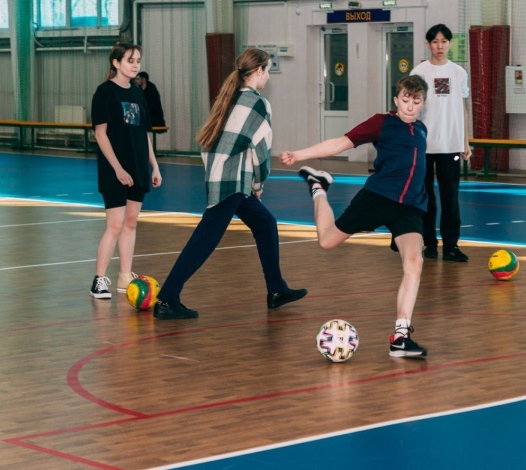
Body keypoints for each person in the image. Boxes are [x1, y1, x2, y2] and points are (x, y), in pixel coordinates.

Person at [279, 75, 430, 358]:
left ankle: (400, 338)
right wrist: (299, 155)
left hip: (410, 207)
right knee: (326, 241)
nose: (410, 107)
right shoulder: (381, 123)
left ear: (423, 103)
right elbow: (340, 143)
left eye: (416, 101)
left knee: (414, 262)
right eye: (405, 100)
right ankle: (318, 187)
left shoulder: (421, 129)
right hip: (377, 199)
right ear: (396, 100)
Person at [153, 48, 307, 319]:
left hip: (225, 178)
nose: (268, 77)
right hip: (233, 182)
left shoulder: (229, 98)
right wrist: (258, 186)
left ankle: (276, 290)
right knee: (204, 241)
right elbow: (261, 152)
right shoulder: (258, 104)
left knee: (265, 224)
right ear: (258, 71)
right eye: (267, 70)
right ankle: (166, 299)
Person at [90, 43, 163, 298]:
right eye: (130, 60)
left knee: (131, 223)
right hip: (114, 169)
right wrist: (118, 169)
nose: (135, 65)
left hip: (138, 166)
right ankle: (99, 280)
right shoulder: (104, 92)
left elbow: (144, 134)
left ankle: (124, 276)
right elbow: (100, 135)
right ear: (116, 62)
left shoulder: (138, 93)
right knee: (115, 224)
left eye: (138, 60)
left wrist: (154, 165)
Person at [409, 23, 471, 262]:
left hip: (451, 145)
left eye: (444, 41)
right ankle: (430, 244)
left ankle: (451, 246)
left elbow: (463, 108)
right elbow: (410, 108)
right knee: (426, 198)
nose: (440, 46)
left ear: (450, 44)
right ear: (428, 45)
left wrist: (465, 141)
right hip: (424, 146)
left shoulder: (459, 72)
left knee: (450, 197)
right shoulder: (419, 72)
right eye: (435, 42)